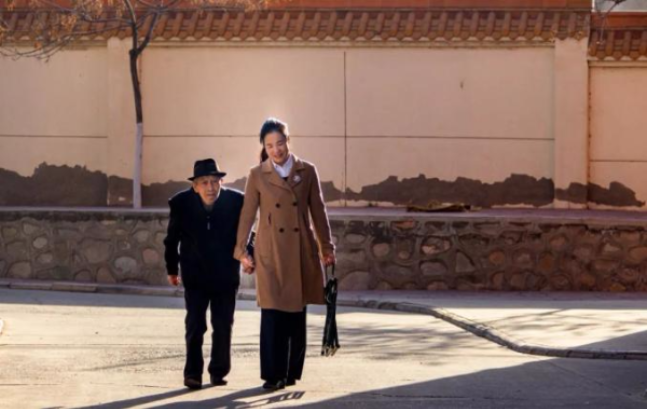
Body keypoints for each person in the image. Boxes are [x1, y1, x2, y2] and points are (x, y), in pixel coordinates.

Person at [235, 117, 336, 391]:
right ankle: (272, 374)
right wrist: (241, 251)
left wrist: (326, 248)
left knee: (295, 314)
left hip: (300, 249)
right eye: (269, 146)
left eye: (280, 143)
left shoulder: (307, 171)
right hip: (270, 252)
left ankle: (290, 372)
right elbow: (247, 215)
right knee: (272, 314)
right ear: (264, 147)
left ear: (288, 141)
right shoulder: (257, 175)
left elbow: (319, 212)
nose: (276, 150)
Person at [164, 158, 250, 390]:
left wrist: (247, 255)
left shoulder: (236, 201)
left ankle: (218, 371)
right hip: (195, 274)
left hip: (225, 274)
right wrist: (172, 269)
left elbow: (246, 234)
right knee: (195, 324)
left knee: (223, 324)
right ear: (195, 186)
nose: (210, 187)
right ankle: (192, 373)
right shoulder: (181, 204)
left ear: (221, 182)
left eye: (214, 181)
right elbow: (171, 240)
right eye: (204, 182)